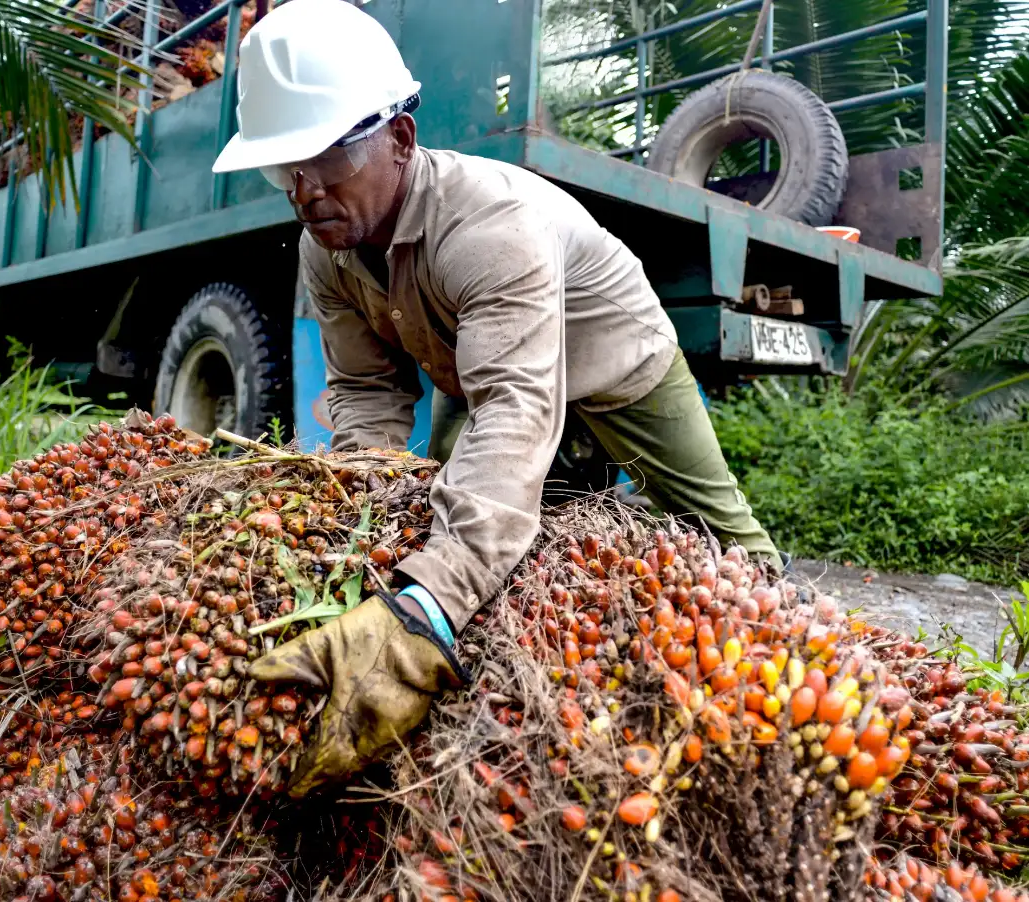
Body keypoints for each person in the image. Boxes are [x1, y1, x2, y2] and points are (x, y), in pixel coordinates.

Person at [212, 0, 781, 798]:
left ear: (400, 140)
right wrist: (352, 529)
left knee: (725, 544)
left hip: (614, 364)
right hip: (478, 368)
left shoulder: (489, 225)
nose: (305, 191)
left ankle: (784, 661)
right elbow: (365, 394)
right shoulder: (326, 250)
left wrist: (423, 615)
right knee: (455, 512)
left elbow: (519, 407)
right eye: (284, 169)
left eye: (327, 160)